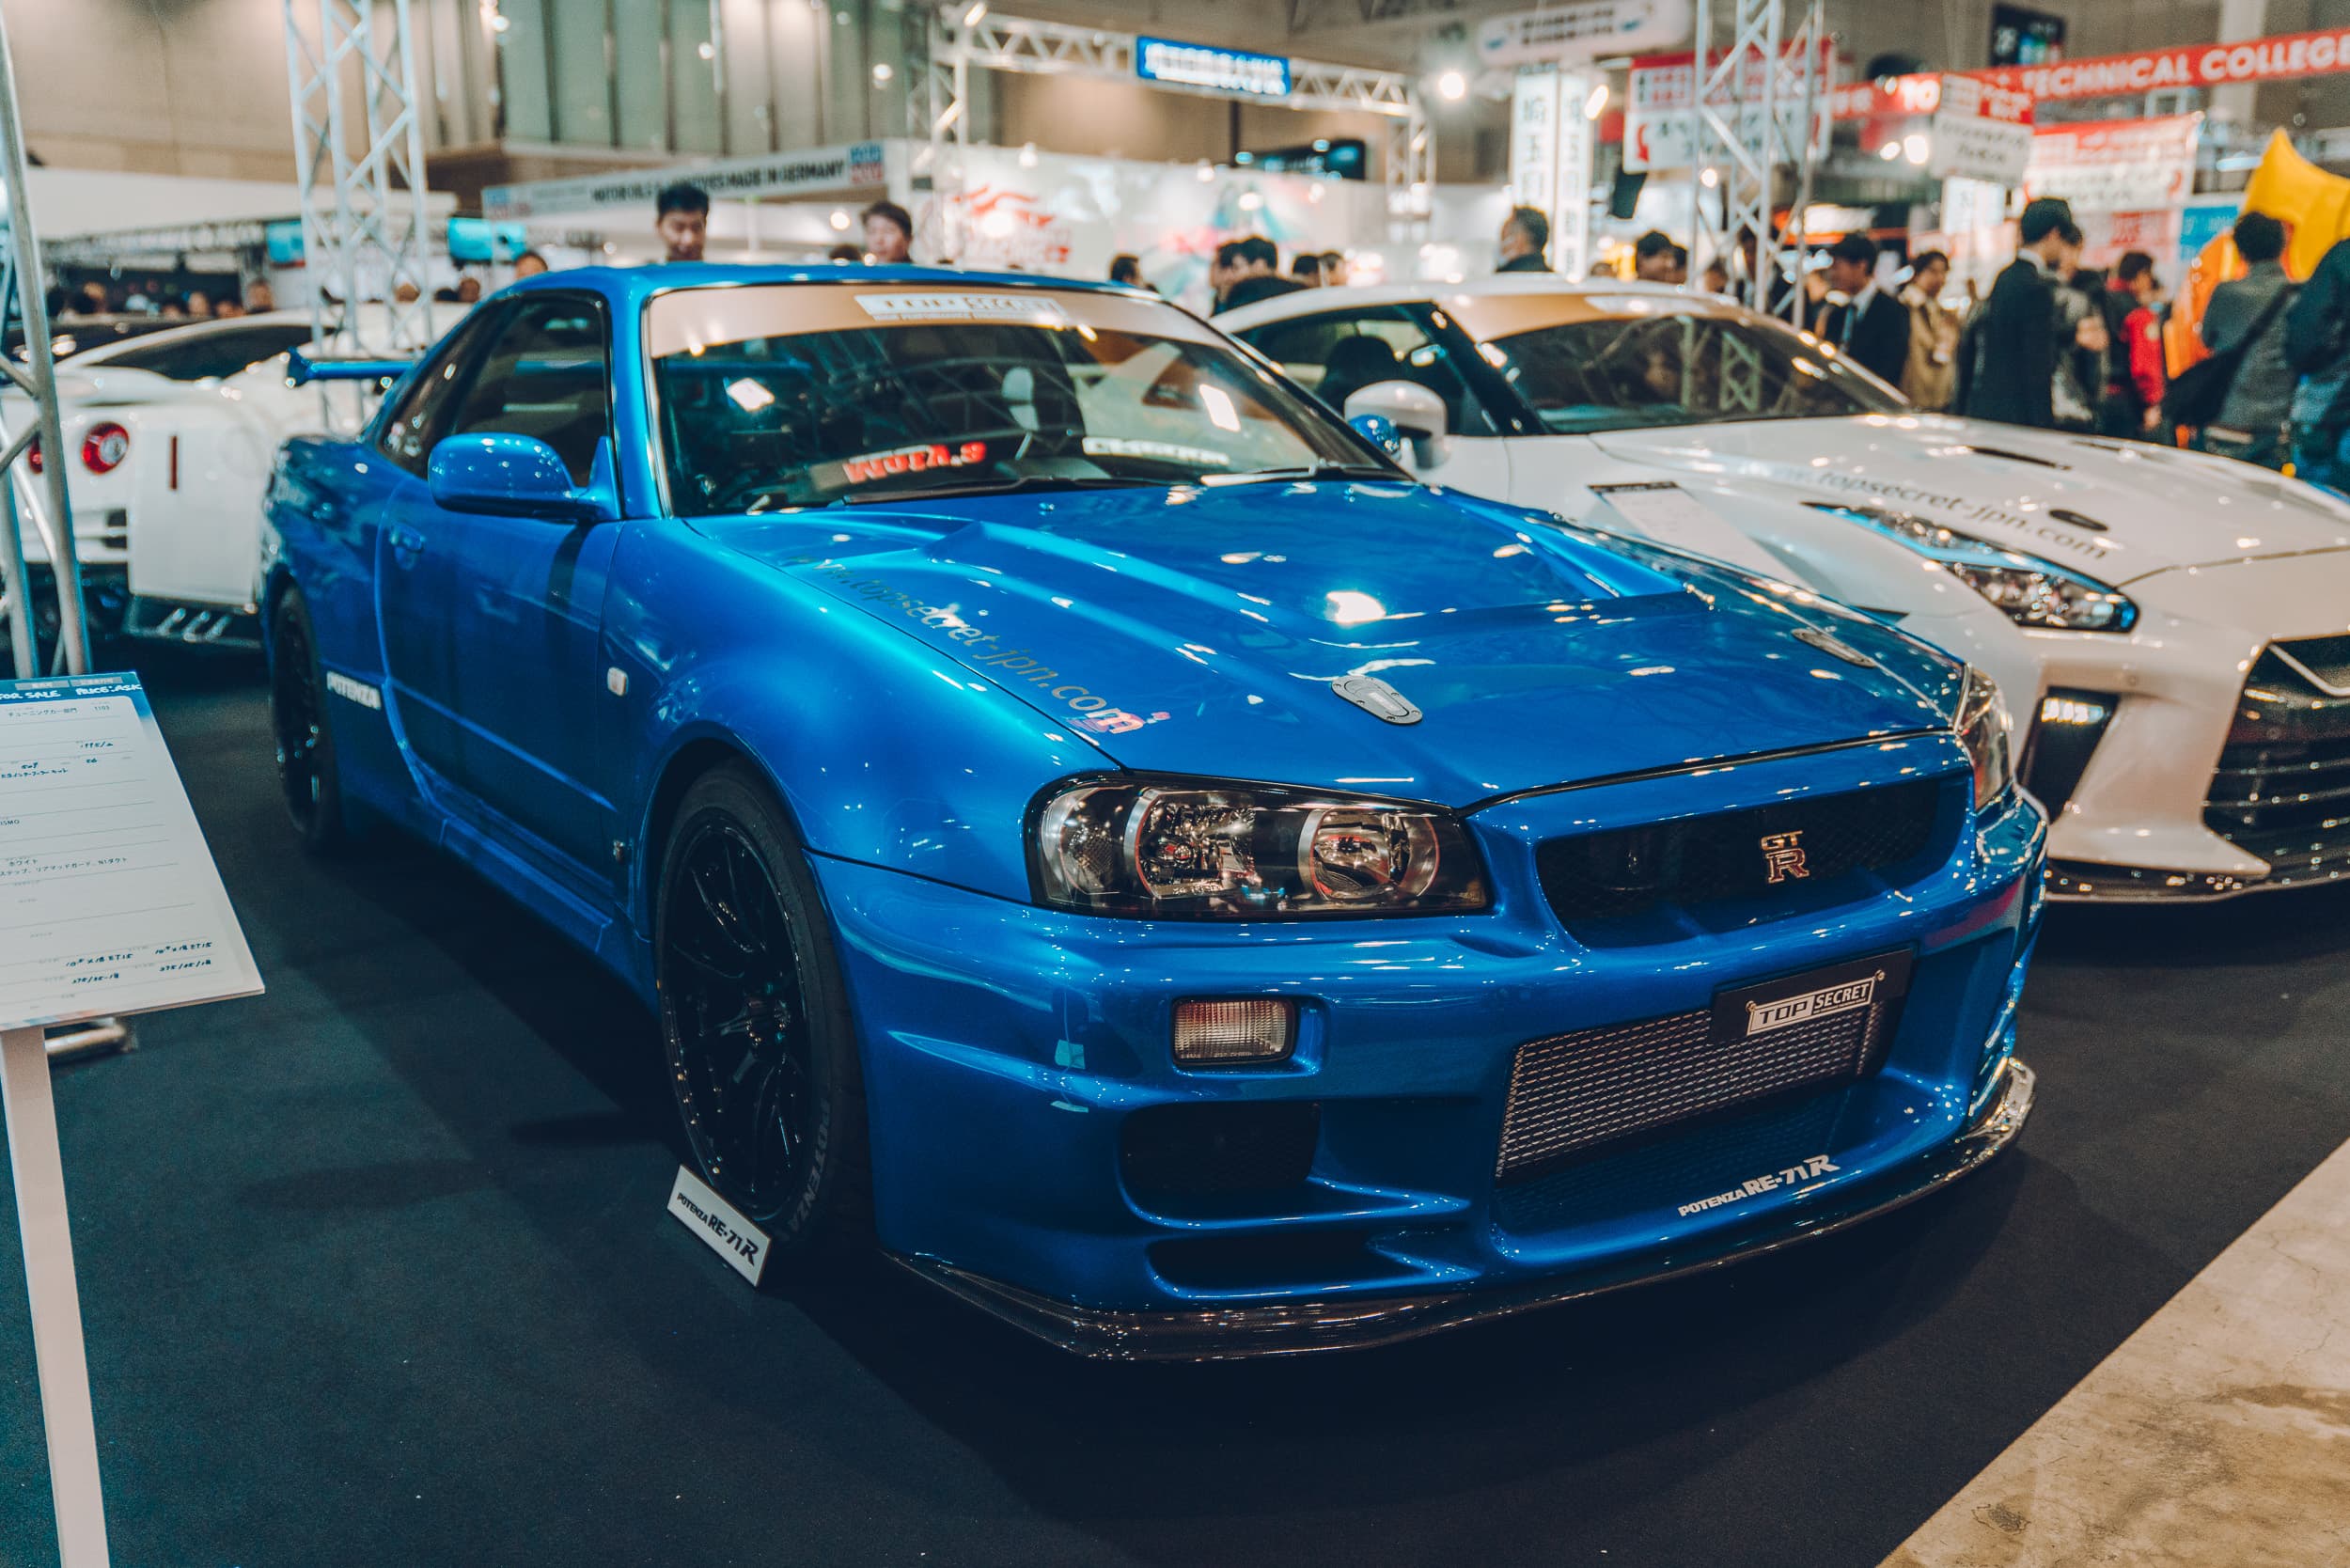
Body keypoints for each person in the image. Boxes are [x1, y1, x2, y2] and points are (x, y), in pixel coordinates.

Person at [1956, 196, 2076, 428]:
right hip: (2019, 415)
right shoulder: (2036, 288)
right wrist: (2042, 422)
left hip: (1989, 407)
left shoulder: (2004, 277)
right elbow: (2036, 365)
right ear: (2053, 234)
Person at [2198, 212, 2297, 468]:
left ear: (2241, 250)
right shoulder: (2298, 297)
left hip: (2227, 418)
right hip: (2276, 425)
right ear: (2282, 246)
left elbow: (2207, 339)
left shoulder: (2225, 293)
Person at [2286, 235, 2350, 490]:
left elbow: (2305, 337)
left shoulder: (2342, 257)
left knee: (2315, 503)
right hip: (2333, 414)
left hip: (2331, 412)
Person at [1812, 232, 1906, 385]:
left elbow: (1892, 367)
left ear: (1861, 266)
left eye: (1837, 266)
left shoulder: (1893, 312)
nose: (1832, 273)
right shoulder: (1837, 314)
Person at [2099, 251, 2166, 437]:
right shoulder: (2138, 313)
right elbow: (2144, 366)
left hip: (2098, 396)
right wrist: (2152, 403)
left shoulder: (2100, 300)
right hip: (2126, 401)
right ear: (2141, 275)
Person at [1900, 249, 1959, 411]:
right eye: (1933, 271)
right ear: (1917, 274)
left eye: (1943, 272)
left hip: (1938, 396)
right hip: (1913, 395)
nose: (1939, 278)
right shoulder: (1906, 306)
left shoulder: (1940, 311)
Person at [1209, 235, 1305, 313]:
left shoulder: (1247, 298)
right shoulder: (1298, 292)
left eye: (1236, 268)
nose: (1231, 276)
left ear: (1259, 265)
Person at [656, 181, 709, 263]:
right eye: (678, 228)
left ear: (705, 226)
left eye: (696, 228)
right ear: (659, 226)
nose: (689, 240)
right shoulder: (645, 271)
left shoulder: (721, 271)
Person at [1497, 207, 1551, 274]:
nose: (1501, 244)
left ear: (1518, 239)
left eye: (1504, 237)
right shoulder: (1553, 276)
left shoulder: (1503, 277)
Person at [861, 200, 915, 264]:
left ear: (908, 239)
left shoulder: (919, 270)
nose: (879, 240)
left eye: (888, 231)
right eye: (872, 231)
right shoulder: (858, 270)